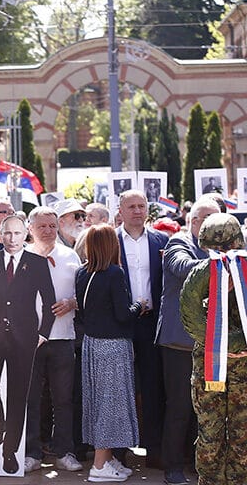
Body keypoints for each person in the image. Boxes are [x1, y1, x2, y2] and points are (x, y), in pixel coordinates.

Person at [0, 215, 56, 475]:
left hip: (25, 337)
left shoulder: (37, 263)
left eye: (17, 233)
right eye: (7, 234)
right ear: (0, 234)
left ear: (25, 233)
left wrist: (43, 333)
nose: (12, 239)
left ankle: (9, 452)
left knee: (18, 394)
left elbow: (49, 301)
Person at [179, 213, 247, 485]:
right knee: (211, 432)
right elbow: (190, 315)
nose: (222, 253)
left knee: (241, 434)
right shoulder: (202, 275)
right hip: (211, 367)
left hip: (240, 367)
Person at [157, 198, 218, 484]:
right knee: (180, 407)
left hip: (214, 345)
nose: (216, 227)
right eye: (210, 221)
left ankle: (201, 463)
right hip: (180, 343)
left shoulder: (225, 250)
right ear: (194, 222)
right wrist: (222, 263)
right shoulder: (177, 243)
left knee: (209, 407)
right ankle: (173, 467)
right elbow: (183, 268)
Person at [76, 224, 144, 482]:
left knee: (97, 402)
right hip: (113, 346)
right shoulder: (114, 273)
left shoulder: (82, 273)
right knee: (109, 404)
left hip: (92, 345)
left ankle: (107, 458)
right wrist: (139, 305)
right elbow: (122, 314)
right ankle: (99, 466)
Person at [23, 207, 84, 473]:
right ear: (29, 228)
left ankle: (64, 451)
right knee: (30, 398)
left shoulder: (71, 257)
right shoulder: (19, 257)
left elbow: (84, 296)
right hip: (28, 342)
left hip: (63, 338)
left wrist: (71, 303)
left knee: (63, 399)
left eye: (51, 226)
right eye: (42, 227)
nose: (48, 231)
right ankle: (31, 453)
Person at [116, 190, 167, 468]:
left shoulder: (162, 240)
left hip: (151, 323)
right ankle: (119, 450)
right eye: (131, 206)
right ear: (120, 210)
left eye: (141, 206)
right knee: (121, 386)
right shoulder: (109, 240)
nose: (137, 211)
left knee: (152, 384)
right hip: (119, 323)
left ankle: (154, 448)